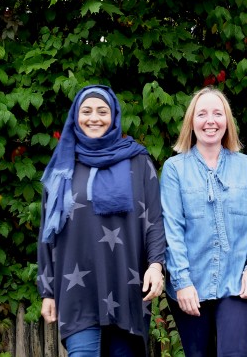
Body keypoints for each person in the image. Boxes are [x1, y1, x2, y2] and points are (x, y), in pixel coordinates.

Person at [36, 84, 166, 356]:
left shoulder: (138, 161)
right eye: (86, 111)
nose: (94, 118)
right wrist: (47, 291)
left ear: (114, 116)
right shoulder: (61, 166)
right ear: (75, 116)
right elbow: (47, 234)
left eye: (102, 111)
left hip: (127, 287)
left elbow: (154, 219)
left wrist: (156, 265)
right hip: (77, 292)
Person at [160, 86, 247, 357]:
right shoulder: (175, 170)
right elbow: (172, 230)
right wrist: (182, 281)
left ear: (227, 121)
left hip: (238, 282)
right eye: (202, 114)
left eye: (218, 113)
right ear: (191, 122)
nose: (210, 121)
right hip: (191, 285)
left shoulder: (245, 166)